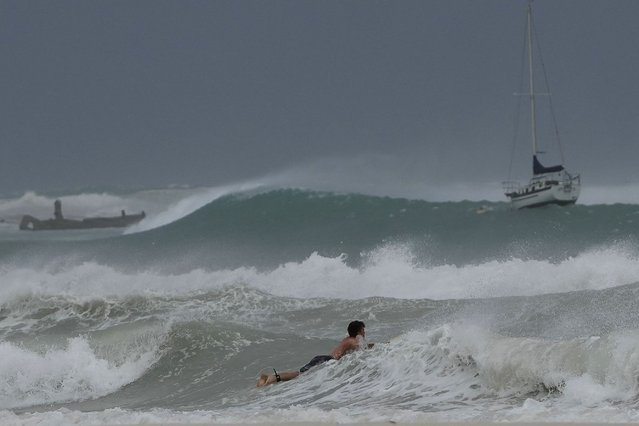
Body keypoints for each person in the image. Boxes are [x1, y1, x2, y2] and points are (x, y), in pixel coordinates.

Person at [256, 320, 374, 387]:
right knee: (299, 375)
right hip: (327, 361)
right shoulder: (354, 341)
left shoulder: (347, 339)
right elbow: (362, 348)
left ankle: (270, 377)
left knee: (299, 374)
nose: (364, 332)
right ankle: (271, 378)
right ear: (359, 331)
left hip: (323, 358)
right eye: (363, 330)